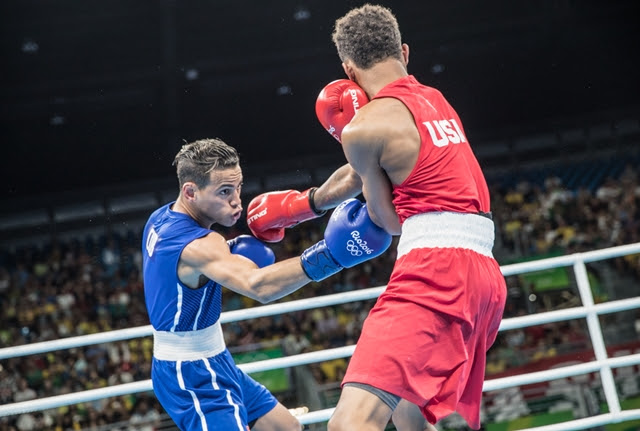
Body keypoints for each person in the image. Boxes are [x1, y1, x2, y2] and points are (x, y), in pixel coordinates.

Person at [246, 4, 507, 431]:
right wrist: (302, 205)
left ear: (348, 71)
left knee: (350, 425)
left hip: (435, 273)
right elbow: (379, 169)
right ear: (404, 51)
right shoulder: (436, 100)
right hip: (484, 278)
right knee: (409, 416)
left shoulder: (363, 128)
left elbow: (387, 222)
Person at [142, 138, 392, 431]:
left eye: (237, 187)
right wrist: (331, 256)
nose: (237, 200)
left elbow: (172, 273)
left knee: (288, 428)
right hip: (193, 376)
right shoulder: (201, 246)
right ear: (191, 192)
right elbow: (257, 286)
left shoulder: (161, 217)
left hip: (212, 360)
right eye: (224, 192)